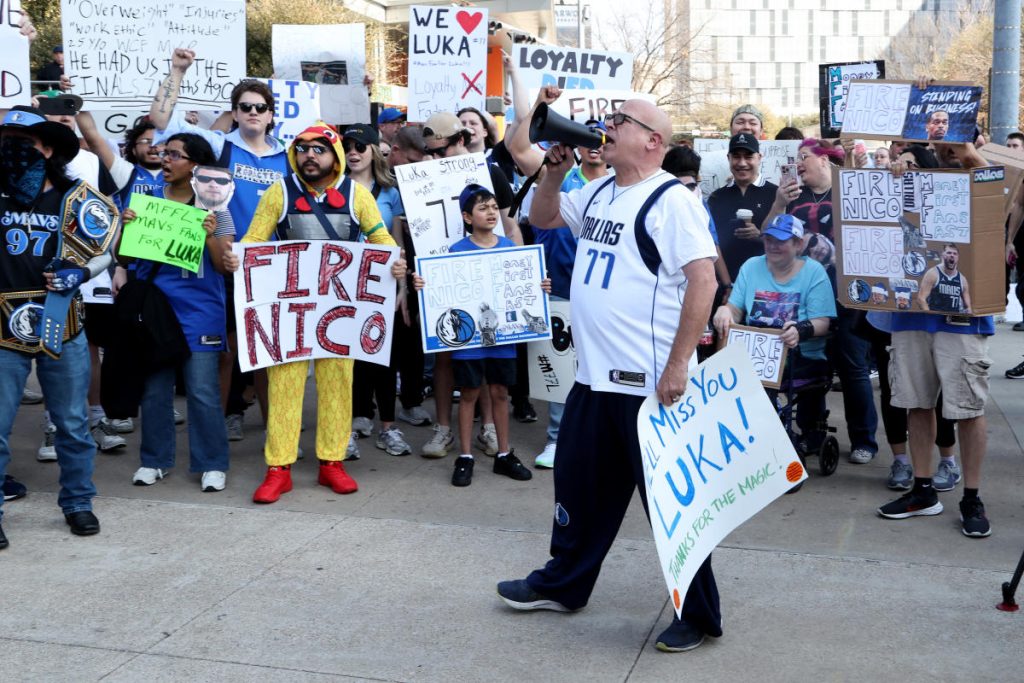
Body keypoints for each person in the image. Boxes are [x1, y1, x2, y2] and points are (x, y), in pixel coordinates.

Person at [496, 98, 722, 653]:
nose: (608, 126)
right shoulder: (599, 190)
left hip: (649, 387)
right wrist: (552, 170)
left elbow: (703, 283)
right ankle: (565, 584)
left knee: (673, 506)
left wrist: (676, 366)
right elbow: (545, 216)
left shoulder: (673, 201)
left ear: (652, 141)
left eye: (621, 121)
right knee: (579, 486)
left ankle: (697, 613)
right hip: (595, 380)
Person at [222, 122, 406, 504]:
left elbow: (381, 241)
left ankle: (332, 462)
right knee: (284, 386)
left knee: (338, 386)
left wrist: (396, 262)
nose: (309, 155)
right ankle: (278, 468)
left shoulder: (358, 196)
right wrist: (235, 254)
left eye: (318, 148)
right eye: (302, 148)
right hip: (291, 314)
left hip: (339, 313)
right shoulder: (278, 192)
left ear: (334, 155)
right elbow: (254, 240)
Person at [149, 49, 290, 444]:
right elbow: (159, 122)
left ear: (271, 113)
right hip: (221, 261)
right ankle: (229, 415)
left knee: (269, 353)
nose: (252, 113)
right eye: (244, 107)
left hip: (271, 265)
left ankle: (274, 427)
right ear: (235, 111)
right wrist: (177, 71)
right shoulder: (217, 144)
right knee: (225, 351)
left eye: (260, 107)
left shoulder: (288, 156)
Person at [0, 106, 119, 547]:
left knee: (71, 423)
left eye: (23, 142)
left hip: (62, 324)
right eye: (5, 141)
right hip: (1, 332)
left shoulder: (78, 195)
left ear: (48, 149)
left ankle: (77, 502)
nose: (10, 150)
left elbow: (109, 248)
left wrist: (82, 274)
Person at [878, 136, 994, 538]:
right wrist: (895, 174)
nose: (903, 167)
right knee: (916, 403)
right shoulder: (899, 192)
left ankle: (972, 497)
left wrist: (970, 154)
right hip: (910, 318)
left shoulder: (971, 183)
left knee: (968, 408)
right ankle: (923, 490)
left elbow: (996, 190)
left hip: (962, 322)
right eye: (901, 161)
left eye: (913, 162)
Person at [116, 134, 232, 492]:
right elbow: (124, 257)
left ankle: (212, 463)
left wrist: (211, 234)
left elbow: (224, 266)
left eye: (174, 155)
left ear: (196, 164)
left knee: (201, 391)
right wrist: (127, 227)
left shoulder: (217, 207)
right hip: (155, 312)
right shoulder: (146, 202)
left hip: (200, 312)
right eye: (164, 153)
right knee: (154, 390)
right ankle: (154, 460)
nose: (164, 159)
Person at [414, 184, 544, 486]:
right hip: (469, 341)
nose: (490, 213)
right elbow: (442, 290)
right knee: (469, 393)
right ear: (467, 216)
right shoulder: (457, 251)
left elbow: (522, 287)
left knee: (500, 392)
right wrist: (425, 285)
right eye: (482, 208)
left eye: (492, 207)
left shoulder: (510, 248)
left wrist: (539, 287)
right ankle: (466, 456)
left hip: (502, 339)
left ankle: (503, 453)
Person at [418, 112, 521, 459]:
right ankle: (444, 429)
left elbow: (510, 223)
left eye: (440, 150)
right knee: (447, 354)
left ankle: (490, 429)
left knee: (490, 352)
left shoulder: (490, 173)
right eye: (429, 151)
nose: (434, 158)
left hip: (489, 272)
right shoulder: (422, 175)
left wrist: (523, 266)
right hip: (444, 277)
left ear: (459, 140)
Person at [713, 215, 836, 448]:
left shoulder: (814, 272)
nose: (772, 246)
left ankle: (767, 440)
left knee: (761, 379)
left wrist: (801, 329)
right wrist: (725, 311)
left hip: (800, 354)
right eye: (768, 239)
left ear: (798, 244)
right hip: (755, 351)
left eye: (781, 241)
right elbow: (736, 308)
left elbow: (823, 322)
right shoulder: (751, 266)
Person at [343, 124, 414, 457]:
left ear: (374, 150)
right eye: (347, 146)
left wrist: (402, 288)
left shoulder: (391, 191)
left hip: (382, 283)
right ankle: (351, 423)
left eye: (361, 146)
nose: (354, 152)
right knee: (347, 357)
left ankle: (388, 426)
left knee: (384, 355)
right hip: (342, 285)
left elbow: (398, 243)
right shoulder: (334, 190)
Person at [707, 134, 777, 287]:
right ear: (728, 158)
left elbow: (787, 242)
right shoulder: (716, 197)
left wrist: (760, 236)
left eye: (748, 156)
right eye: (736, 157)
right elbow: (711, 243)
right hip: (727, 285)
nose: (742, 163)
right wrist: (725, 285)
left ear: (759, 157)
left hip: (767, 284)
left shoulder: (776, 194)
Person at [919, 244, 970, 313]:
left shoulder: (962, 280)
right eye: (949, 253)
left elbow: (968, 307)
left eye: (955, 254)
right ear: (943, 255)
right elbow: (921, 299)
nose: (952, 255)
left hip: (953, 319)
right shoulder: (933, 274)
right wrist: (930, 316)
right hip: (936, 317)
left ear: (958, 257)